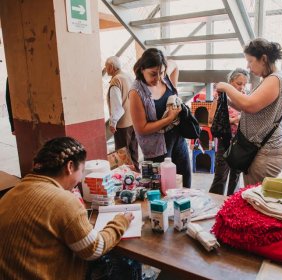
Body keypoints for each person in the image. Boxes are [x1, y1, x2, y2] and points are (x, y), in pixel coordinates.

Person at [0, 137, 134, 279]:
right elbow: (95, 248)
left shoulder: (11, 193)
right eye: (82, 170)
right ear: (70, 167)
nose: (80, 178)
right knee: (123, 261)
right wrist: (120, 222)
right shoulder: (63, 202)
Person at [215, 38, 282, 185]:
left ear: (263, 59)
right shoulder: (271, 78)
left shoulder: (275, 79)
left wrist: (226, 86)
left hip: (266, 150)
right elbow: (251, 108)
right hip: (262, 148)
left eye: (250, 61)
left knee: (254, 197)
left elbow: (249, 105)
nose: (248, 67)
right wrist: (228, 101)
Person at [129, 48, 191, 188]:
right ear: (142, 69)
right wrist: (168, 119)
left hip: (178, 139)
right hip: (156, 148)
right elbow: (142, 129)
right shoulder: (136, 92)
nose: (158, 78)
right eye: (153, 74)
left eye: (161, 72)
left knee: (185, 181)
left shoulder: (164, 77)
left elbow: (174, 65)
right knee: (162, 188)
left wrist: (175, 92)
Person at [208, 68, 249, 195]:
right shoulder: (221, 96)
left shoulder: (245, 98)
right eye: (239, 83)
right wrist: (234, 120)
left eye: (244, 84)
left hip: (240, 142)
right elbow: (211, 119)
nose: (242, 87)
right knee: (221, 175)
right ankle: (214, 203)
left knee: (235, 177)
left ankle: (231, 205)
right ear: (230, 82)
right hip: (225, 141)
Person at [105, 56, 140, 172]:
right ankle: (137, 174)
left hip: (122, 123)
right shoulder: (128, 76)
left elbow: (117, 106)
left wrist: (113, 123)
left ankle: (127, 179)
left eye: (106, 66)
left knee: (122, 155)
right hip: (133, 120)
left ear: (111, 67)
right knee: (133, 151)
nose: (105, 69)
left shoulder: (116, 80)